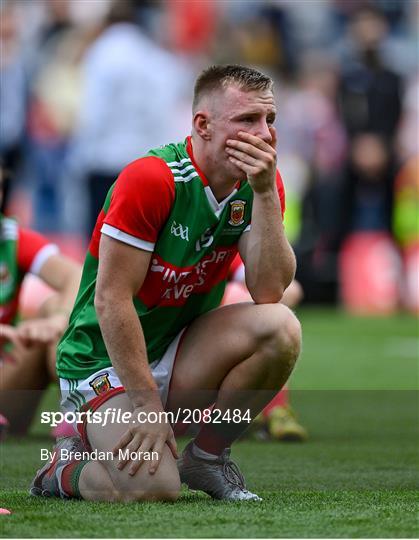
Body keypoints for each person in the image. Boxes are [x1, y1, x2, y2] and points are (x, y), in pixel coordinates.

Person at [30, 65, 302, 503]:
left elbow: (269, 290)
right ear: (203, 125)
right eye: (248, 120)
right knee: (153, 488)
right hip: (101, 363)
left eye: (270, 120)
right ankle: (61, 468)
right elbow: (111, 300)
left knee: (281, 326)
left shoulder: (259, 184)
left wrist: (267, 195)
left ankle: (207, 459)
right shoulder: (151, 179)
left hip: (176, 351)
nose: (265, 134)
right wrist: (146, 404)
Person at [0, 167, 81, 436]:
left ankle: (80, 411)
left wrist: (58, 319)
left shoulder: (10, 237)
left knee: (56, 306)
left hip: (6, 378)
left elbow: (76, 275)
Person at [224, 254, 307, 441]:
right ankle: (232, 410)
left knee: (273, 322)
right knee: (239, 302)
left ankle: (273, 409)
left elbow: (292, 290)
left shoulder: (222, 241)